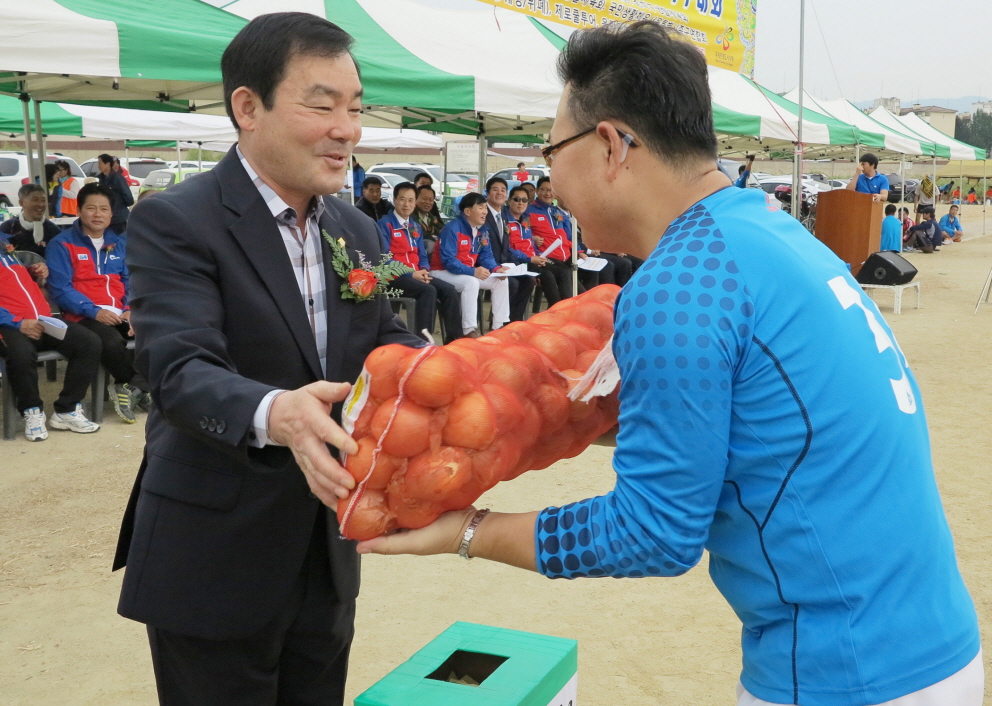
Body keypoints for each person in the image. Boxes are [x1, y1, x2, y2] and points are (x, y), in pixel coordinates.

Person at [359, 21, 983, 706]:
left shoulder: (680, 283)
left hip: (844, 670)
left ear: (609, 145)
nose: (547, 175)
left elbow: (651, 533)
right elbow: (746, 431)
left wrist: (468, 532)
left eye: (549, 149)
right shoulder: (764, 230)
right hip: (924, 642)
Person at [111, 13, 425, 705]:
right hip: (214, 552)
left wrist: (435, 369)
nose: (348, 128)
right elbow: (177, 368)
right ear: (247, 107)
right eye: (322, 104)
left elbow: (384, 336)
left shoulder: (354, 225)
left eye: (355, 106)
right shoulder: (177, 219)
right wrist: (277, 412)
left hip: (326, 543)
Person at [47, 183, 151, 424]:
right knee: (110, 341)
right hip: (82, 315)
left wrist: (129, 308)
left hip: (120, 313)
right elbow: (61, 289)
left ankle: (134, 388)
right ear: (79, 211)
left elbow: (130, 280)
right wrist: (94, 311)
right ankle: (136, 387)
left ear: (111, 213)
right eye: (91, 208)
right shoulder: (62, 244)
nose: (97, 214)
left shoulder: (119, 243)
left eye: (104, 209)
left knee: (160, 331)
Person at [0, 231, 102, 440]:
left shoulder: (7, 253)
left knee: (89, 343)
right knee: (20, 355)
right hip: (9, 326)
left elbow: (14, 285)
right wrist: (17, 322)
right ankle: (32, 411)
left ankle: (67, 409)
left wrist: (34, 272)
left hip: (41, 319)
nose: (4, 242)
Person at [377, 182, 461, 344]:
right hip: (394, 276)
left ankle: (454, 341)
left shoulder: (415, 225)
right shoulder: (385, 225)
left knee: (449, 290)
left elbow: (422, 255)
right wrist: (411, 273)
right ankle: (423, 342)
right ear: (394, 200)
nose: (406, 204)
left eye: (410, 200)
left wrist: (423, 269)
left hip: (417, 274)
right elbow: (384, 259)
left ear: (415, 202)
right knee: (428, 291)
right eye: (402, 199)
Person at [429, 192, 510, 337]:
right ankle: (469, 330)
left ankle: (498, 327)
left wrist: (496, 269)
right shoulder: (452, 229)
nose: (485, 211)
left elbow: (487, 255)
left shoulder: (482, 230)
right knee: (471, 282)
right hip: (441, 272)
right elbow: (448, 261)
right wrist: (472, 271)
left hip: (465, 272)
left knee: (501, 281)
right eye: (480, 208)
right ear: (467, 211)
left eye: (485, 207)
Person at [484, 176, 535, 321]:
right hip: (486, 265)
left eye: (503, 190)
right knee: (511, 283)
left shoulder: (502, 216)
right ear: (487, 193)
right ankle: (502, 322)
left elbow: (505, 247)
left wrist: (516, 266)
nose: (499, 193)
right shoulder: (484, 214)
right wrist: (496, 267)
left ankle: (515, 321)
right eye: (495, 190)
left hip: (504, 262)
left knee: (528, 280)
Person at [525, 176, 574, 302]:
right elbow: (522, 234)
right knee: (565, 274)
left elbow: (570, 236)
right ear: (537, 191)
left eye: (551, 190)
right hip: (545, 256)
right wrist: (532, 238)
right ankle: (562, 310)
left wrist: (579, 252)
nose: (548, 193)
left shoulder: (558, 212)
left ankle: (579, 307)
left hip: (566, 257)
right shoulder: (528, 211)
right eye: (544, 190)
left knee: (591, 271)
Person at [0, 184, 62, 255]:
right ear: (22, 203)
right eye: (35, 200)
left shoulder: (54, 231)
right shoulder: (8, 228)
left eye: (43, 200)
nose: (41, 204)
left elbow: (58, 260)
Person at [97, 153, 134, 234]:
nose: (98, 166)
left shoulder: (118, 179)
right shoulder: (100, 179)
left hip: (118, 218)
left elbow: (129, 198)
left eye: (100, 163)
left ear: (108, 164)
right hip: (104, 217)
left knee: (119, 242)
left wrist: (118, 205)